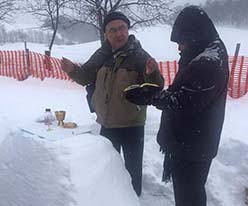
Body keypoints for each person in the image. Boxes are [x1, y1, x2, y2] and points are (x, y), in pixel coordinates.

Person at [125, 6, 229, 206]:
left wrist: (150, 96)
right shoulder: (206, 49)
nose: (179, 48)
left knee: (189, 196)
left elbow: (184, 103)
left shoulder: (207, 62)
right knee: (191, 192)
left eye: (182, 42)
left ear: (194, 35)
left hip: (191, 145)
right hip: (195, 141)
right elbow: (186, 92)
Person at [61, 11, 164, 196]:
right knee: (107, 169)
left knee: (133, 171)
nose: (119, 34)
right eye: (113, 30)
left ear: (128, 29)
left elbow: (156, 88)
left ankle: (133, 199)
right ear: (106, 34)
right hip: (107, 124)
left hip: (132, 125)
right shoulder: (101, 55)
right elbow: (86, 77)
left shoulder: (140, 56)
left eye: (122, 28)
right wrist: (72, 70)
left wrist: (152, 73)